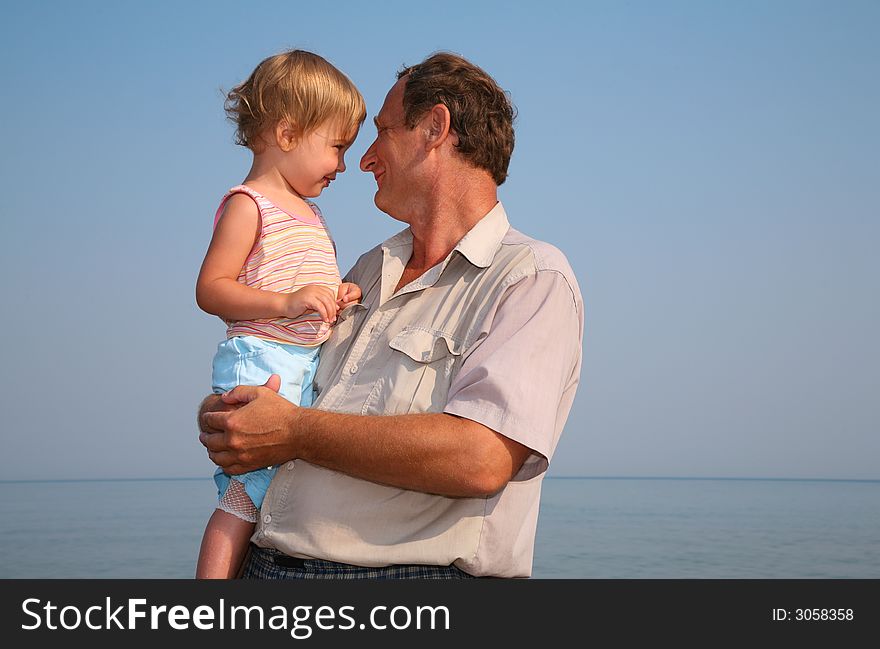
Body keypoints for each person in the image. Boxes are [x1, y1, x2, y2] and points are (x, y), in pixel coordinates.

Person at [199, 52, 584, 579]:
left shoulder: (531, 278)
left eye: (382, 131)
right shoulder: (366, 269)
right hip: (264, 565)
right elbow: (285, 386)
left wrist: (293, 431)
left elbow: (481, 458)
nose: (363, 159)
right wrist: (235, 416)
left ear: (435, 128)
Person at [193, 49, 365, 579]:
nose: (342, 166)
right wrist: (287, 304)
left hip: (299, 362)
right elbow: (211, 290)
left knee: (272, 495)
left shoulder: (310, 213)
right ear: (289, 133)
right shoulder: (250, 205)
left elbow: (298, 282)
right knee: (243, 498)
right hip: (261, 358)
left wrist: (336, 296)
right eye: (336, 147)